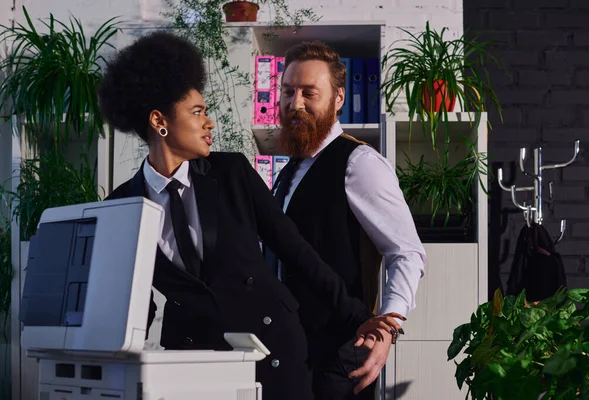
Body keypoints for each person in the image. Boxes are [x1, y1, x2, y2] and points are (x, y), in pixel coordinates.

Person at [97, 31, 401, 400]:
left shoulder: (232, 174)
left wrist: (363, 319)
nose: (209, 123)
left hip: (271, 344)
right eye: (197, 112)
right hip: (189, 355)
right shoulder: (123, 204)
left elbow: (298, 253)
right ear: (160, 121)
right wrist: (110, 366)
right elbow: (133, 302)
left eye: (207, 112)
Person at [267, 40, 427, 399]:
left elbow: (407, 253)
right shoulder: (289, 171)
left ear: (339, 99)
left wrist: (387, 329)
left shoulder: (359, 163)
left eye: (310, 93)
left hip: (340, 355)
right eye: (288, 92)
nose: (296, 103)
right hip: (293, 353)